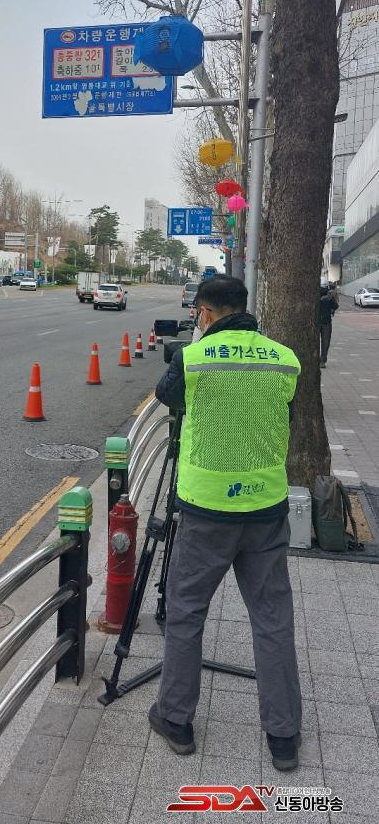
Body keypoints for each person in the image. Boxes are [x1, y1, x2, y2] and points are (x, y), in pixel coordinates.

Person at [149, 276, 303, 772]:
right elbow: (285, 417)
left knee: (187, 611)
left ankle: (176, 719)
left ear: (205, 313)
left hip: (206, 510)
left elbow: (168, 398)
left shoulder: (193, 358)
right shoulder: (284, 359)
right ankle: (284, 736)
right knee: (273, 618)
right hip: (265, 509)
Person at [319, 283, 338, 368]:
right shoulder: (329, 297)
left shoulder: (313, 295)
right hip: (326, 322)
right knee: (325, 342)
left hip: (315, 322)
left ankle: (315, 359)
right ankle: (322, 361)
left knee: (314, 341)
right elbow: (335, 306)